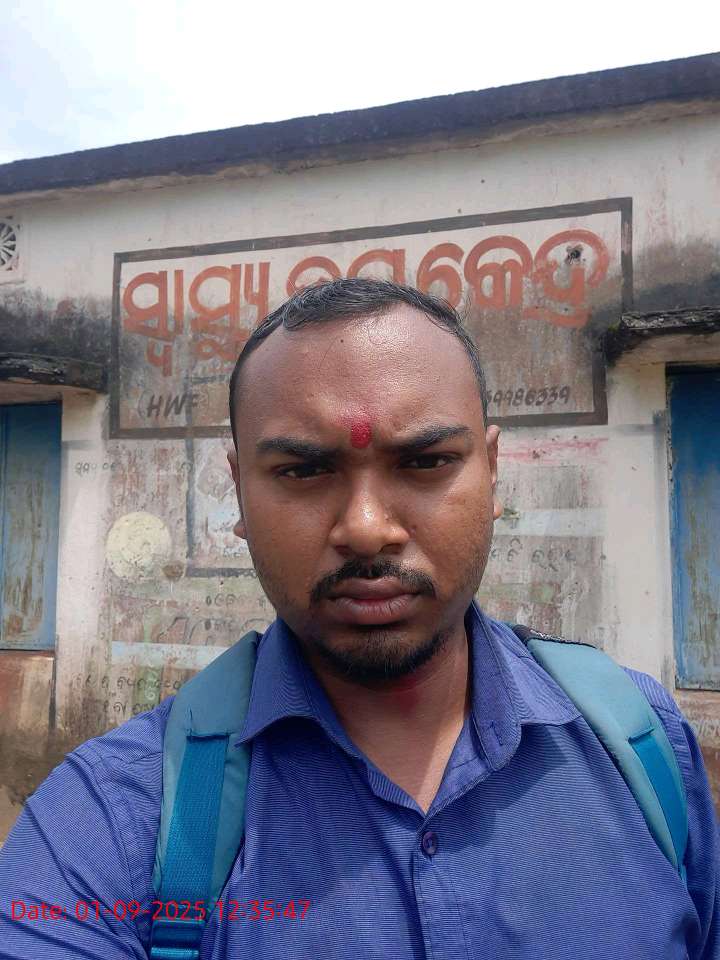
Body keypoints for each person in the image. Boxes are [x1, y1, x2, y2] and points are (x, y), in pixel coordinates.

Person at [0, 278, 717, 959]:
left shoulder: (642, 747)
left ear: (493, 471)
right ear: (239, 493)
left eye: (426, 461)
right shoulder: (114, 819)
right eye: (303, 471)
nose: (367, 529)